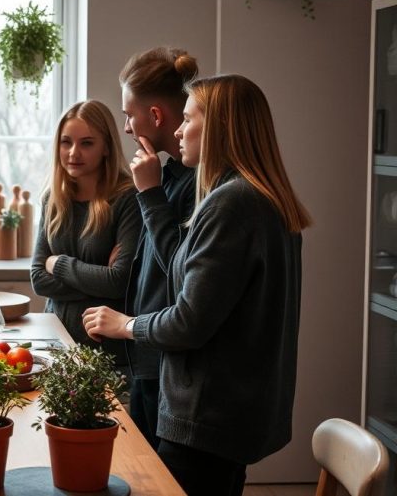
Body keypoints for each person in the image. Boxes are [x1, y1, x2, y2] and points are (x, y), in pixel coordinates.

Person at [83, 74, 311, 496]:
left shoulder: (233, 203)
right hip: (231, 415)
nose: (177, 130)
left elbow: (189, 322)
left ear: (220, 128)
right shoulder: (254, 197)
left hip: (208, 418)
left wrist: (125, 325)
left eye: (187, 119)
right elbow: (187, 276)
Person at [119, 47, 199, 449]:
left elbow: (180, 271)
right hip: (147, 352)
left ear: (154, 116)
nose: (128, 128)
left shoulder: (196, 184)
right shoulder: (166, 173)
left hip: (165, 358)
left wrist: (149, 194)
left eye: (129, 115)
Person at [30, 100, 141, 360]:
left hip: (106, 351)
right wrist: (97, 279)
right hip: (54, 343)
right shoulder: (53, 198)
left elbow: (119, 283)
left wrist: (58, 264)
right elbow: (37, 277)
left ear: (106, 147)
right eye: (66, 142)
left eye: (87, 143)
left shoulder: (127, 199)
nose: (73, 153)